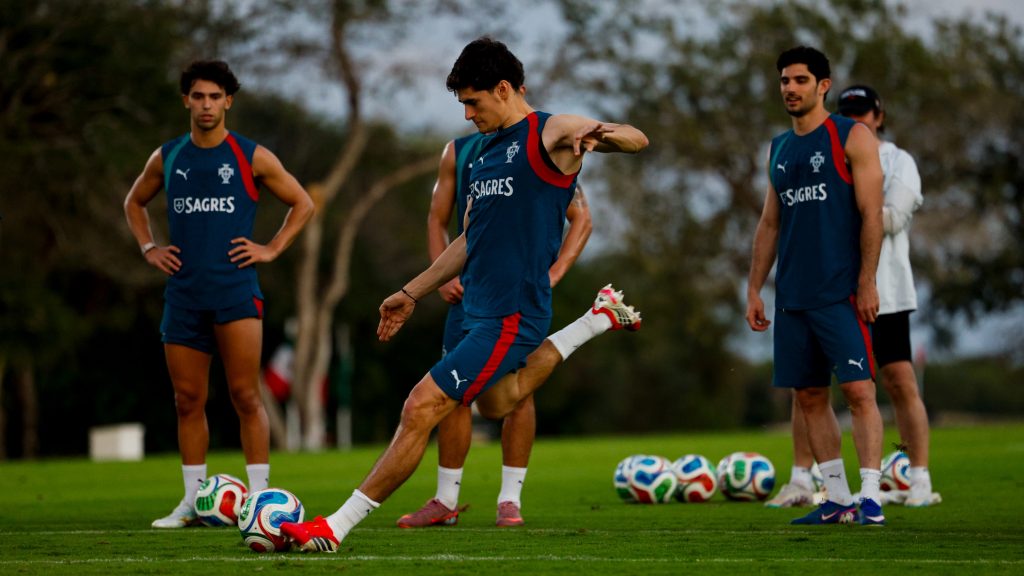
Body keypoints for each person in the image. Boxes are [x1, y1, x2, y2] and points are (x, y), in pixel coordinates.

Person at [280, 36, 648, 552]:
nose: (468, 114)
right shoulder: (485, 153)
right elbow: (467, 241)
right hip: (477, 309)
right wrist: (410, 292)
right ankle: (597, 320)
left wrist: (602, 133)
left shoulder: (551, 132)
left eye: (473, 102)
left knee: (420, 406)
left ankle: (333, 528)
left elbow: (637, 139)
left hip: (512, 314)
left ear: (503, 89)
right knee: (498, 403)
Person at [124, 60, 315, 528]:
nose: (206, 105)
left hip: (235, 294)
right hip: (184, 295)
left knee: (245, 395)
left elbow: (303, 203)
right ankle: (191, 502)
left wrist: (271, 248)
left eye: (215, 96)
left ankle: (259, 500)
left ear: (228, 101)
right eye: (198, 96)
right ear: (185, 100)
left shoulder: (251, 156)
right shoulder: (167, 157)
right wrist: (149, 247)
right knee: (187, 399)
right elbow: (133, 202)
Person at [396, 127, 592, 528]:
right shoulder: (457, 151)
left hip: (514, 297)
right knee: (451, 390)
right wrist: (440, 278)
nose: (471, 110)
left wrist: (553, 274)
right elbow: (437, 220)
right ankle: (445, 501)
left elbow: (582, 218)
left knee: (516, 393)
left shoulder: (542, 148)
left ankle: (509, 500)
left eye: (476, 98)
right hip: (468, 296)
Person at [765, 85, 937, 509]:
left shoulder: (898, 161)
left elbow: (892, 216)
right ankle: (803, 479)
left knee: (896, 381)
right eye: (848, 112)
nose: (855, 119)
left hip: (886, 290)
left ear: (879, 116)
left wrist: (842, 203)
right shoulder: (823, 149)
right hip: (830, 290)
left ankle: (917, 478)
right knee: (807, 387)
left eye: (863, 112)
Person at [746, 46, 887, 525]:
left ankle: (871, 496)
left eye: (801, 80)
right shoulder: (779, 148)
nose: (790, 88)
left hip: (841, 292)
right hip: (793, 298)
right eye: (785, 80)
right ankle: (838, 499)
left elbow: (873, 215)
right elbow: (769, 225)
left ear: (822, 86)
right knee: (808, 396)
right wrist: (754, 290)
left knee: (859, 392)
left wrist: (866, 281)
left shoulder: (852, 135)